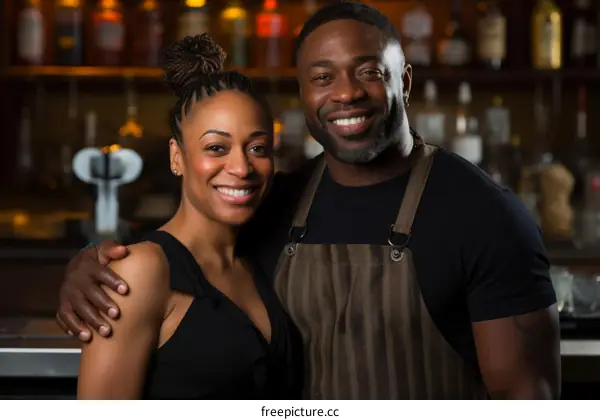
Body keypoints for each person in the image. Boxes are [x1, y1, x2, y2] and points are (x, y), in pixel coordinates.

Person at [57, 3, 560, 399]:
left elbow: (526, 397)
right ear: (303, 93)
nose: (346, 94)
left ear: (403, 81)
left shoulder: (483, 213)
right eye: (323, 77)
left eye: (368, 72)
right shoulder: (275, 203)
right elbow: (181, 259)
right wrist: (92, 267)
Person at [75, 34, 301, 399]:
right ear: (176, 157)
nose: (241, 167)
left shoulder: (260, 260)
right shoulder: (141, 269)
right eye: (217, 147)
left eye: (257, 148)